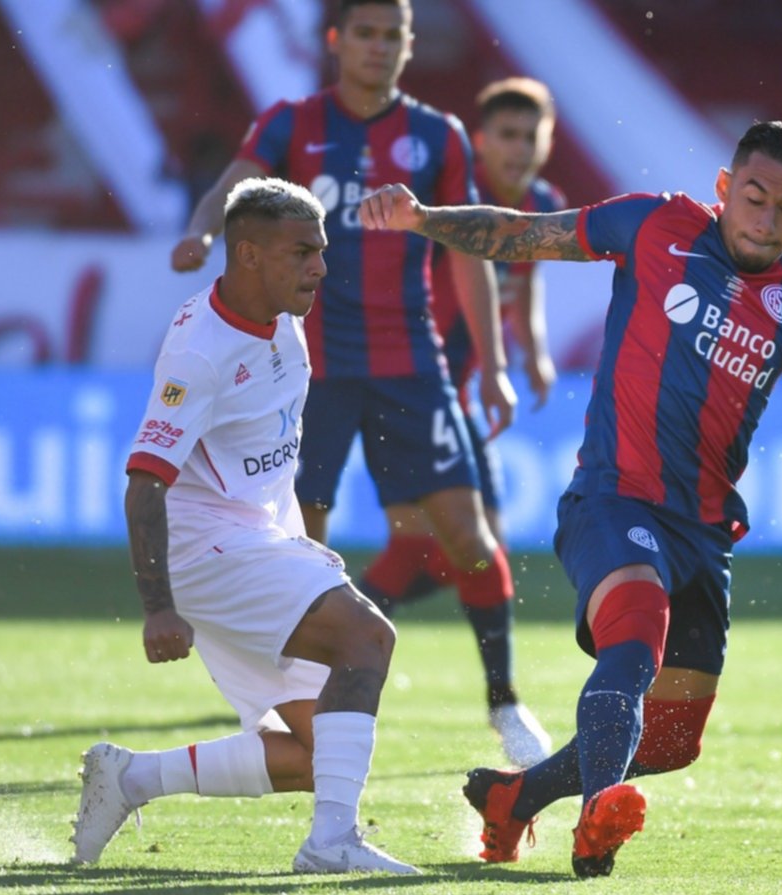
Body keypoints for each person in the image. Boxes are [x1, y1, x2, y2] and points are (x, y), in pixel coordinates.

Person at [359, 120, 782, 878]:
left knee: (671, 740)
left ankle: (518, 796)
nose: (767, 220)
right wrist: (424, 221)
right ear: (726, 189)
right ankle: (599, 815)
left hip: (702, 528)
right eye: (754, 198)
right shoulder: (653, 224)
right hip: (612, 497)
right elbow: (526, 235)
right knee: (634, 638)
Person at [167, 0, 550, 767]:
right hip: (313, 373)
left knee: (470, 540)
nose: (380, 48)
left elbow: (468, 253)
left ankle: (505, 701)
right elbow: (236, 184)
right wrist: (205, 228)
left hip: (414, 363)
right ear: (337, 40)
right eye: (366, 33)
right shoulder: (291, 124)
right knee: (301, 550)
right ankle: (297, 704)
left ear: (408, 47)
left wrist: (498, 363)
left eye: (393, 36)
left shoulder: (436, 136)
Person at [72, 177, 416, 875]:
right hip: (204, 546)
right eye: (302, 252)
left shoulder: (284, 320)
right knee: (367, 634)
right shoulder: (201, 353)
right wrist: (157, 605)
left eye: (321, 249)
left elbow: (262, 450)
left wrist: (291, 539)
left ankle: (130, 776)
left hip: (255, 535)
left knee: (317, 756)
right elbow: (144, 482)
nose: (320, 265)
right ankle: (331, 846)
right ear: (249, 254)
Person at [354, 78, 564, 764]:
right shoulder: (453, 202)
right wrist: (500, 367)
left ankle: (314, 642)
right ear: (480, 139)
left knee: (454, 556)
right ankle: (503, 704)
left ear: (545, 143)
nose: (516, 148)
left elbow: (524, 282)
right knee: (466, 551)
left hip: (456, 395)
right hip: (411, 389)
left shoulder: (539, 207)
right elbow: (466, 275)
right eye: (504, 134)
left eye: (528, 136)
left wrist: (530, 352)